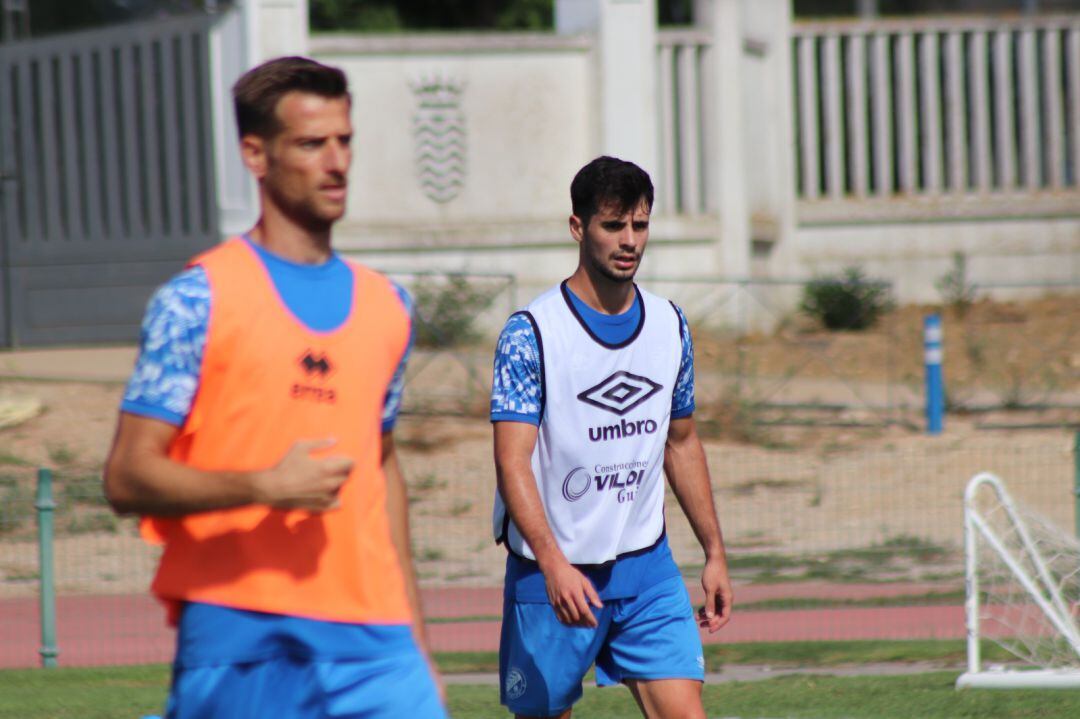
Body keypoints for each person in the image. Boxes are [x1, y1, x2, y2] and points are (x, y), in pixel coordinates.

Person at [103, 56, 446, 719]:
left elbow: (382, 467)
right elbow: (127, 477)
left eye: (345, 140)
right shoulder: (195, 300)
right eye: (313, 144)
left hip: (377, 642)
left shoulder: (389, 306)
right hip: (241, 632)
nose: (337, 161)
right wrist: (262, 484)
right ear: (255, 154)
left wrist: (418, 640)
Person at [490, 156, 733, 719]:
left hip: (648, 569)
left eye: (640, 225)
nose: (629, 241)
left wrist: (715, 553)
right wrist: (552, 565)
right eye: (613, 225)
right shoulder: (531, 335)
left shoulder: (670, 326)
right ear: (578, 227)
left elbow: (682, 442)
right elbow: (513, 463)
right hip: (554, 575)